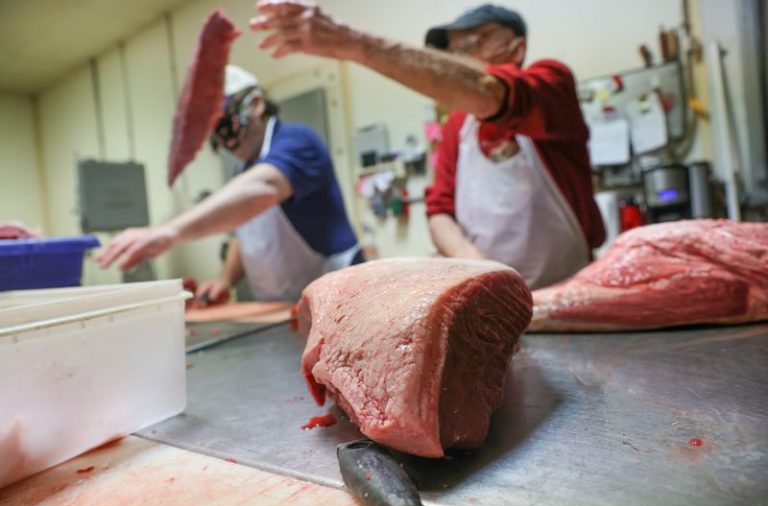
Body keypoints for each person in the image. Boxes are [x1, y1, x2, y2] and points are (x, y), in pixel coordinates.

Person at [250, 2, 605, 289]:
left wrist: (352, 43)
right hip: (491, 297)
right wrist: (485, 273)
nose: (461, 55)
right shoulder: (458, 127)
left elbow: (490, 93)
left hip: (569, 292)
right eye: (454, 49)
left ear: (517, 48)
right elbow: (439, 210)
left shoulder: (551, 83)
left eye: (475, 40)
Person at [97, 66, 362, 301]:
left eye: (225, 122)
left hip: (338, 296)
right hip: (280, 306)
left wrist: (169, 232)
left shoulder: (298, 141)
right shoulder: (243, 169)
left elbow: (263, 188)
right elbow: (247, 236)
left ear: (256, 105)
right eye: (214, 130)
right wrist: (225, 279)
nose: (223, 138)